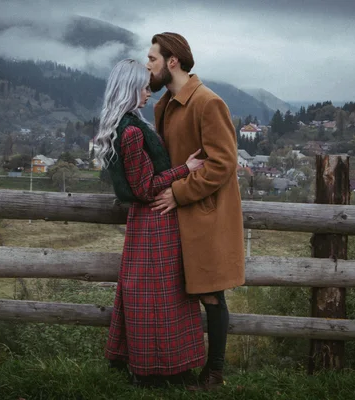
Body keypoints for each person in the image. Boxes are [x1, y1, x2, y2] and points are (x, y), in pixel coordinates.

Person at [93, 59, 206, 387]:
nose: (148, 93)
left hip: (145, 223)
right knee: (162, 298)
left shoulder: (125, 124)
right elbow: (144, 187)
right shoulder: (130, 131)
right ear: (129, 89)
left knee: (148, 296)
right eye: (143, 87)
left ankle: (150, 368)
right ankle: (159, 372)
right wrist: (185, 168)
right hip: (153, 220)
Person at [146, 33, 246, 391]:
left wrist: (178, 193)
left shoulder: (207, 102)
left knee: (209, 293)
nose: (148, 66)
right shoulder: (163, 105)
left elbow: (223, 164)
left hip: (204, 214)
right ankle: (175, 368)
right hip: (173, 215)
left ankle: (213, 373)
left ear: (172, 61)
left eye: (153, 58)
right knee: (174, 292)